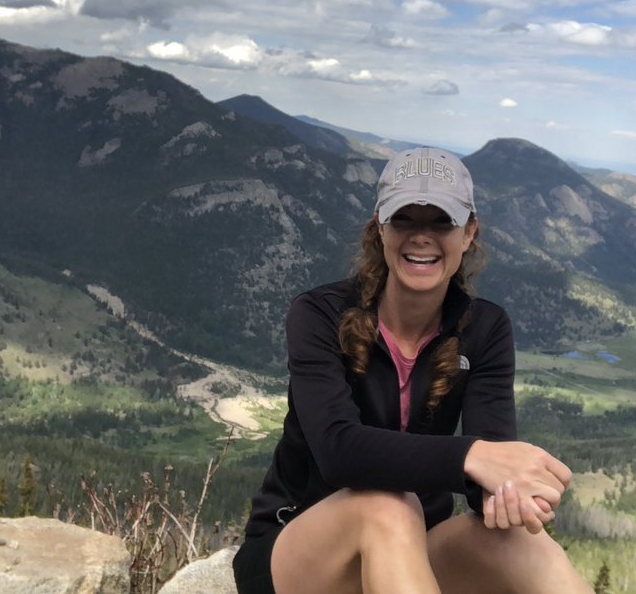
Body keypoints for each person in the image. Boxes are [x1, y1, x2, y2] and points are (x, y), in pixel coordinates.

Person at [233, 146, 593, 593]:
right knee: (389, 505)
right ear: (379, 229)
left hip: (413, 552)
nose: (422, 237)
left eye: (442, 221)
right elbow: (337, 451)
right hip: (301, 551)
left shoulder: (486, 329)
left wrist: (516, 493)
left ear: (468, 233)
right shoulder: (318, 315)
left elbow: (490, 481)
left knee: (522, 544)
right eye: (405, 219)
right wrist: (471, 456)